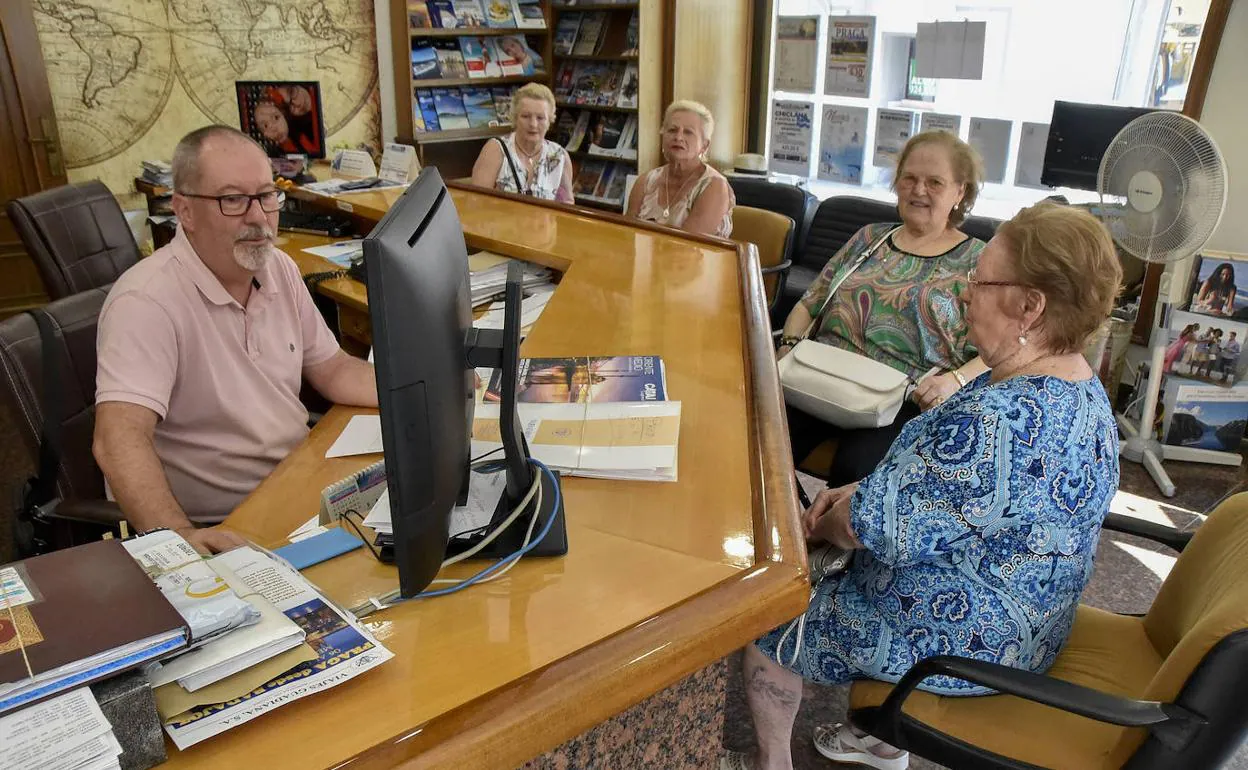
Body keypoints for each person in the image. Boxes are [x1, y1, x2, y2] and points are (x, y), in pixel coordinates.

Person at [724, 203, 1122, 770]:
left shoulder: (994, 420)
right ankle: (884, 743)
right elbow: (958, 499)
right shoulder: (1084, 390)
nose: (963, 292)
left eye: (980, 281)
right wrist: (865, 490)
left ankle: (770, 764)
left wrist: (838, 513)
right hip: (1037, 619)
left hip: (965, 641)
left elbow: (874, 531)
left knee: (768, 617)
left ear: (1029, 307)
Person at [93, 125, 378, 554]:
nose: (258, 216)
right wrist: (181, 537)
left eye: (267, 195)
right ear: (184, 210)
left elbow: (334, 369)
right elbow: (118, 442)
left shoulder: (277, 267)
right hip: (226, 521)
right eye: (232, 200)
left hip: (296, 482)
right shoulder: (145, 302)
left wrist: (426, 386)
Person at [777, 130, 989, 486]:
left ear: (960, 192)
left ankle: (819, 535)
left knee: (857, 471)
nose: (918, 190)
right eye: (909, 178)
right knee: (760, 439)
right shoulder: (869, 238)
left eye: (934, 182)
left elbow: (1000, 348)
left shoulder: (979, 261)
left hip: (904, 398)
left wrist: (956, 380)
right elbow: (810, 302)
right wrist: (788, 346)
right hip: (820, 374)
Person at [626, 100, 735, 238]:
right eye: (672, 130)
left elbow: (688, 245)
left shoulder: (715, 186)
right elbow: (628, 234)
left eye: (688, 132)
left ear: (704, 145)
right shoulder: (645, 181)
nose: (678, 137)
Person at [471, 83, 573, 203]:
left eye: (540, 118)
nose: (533, 124)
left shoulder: (560, 156)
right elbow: (476, 203)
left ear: (550, 120)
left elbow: (567, 205)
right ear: (515, 118)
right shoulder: (495, 150)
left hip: (544, 222)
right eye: (525, 116)